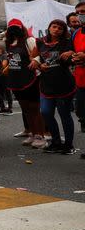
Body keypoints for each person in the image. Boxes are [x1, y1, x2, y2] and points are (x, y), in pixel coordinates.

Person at [0, 19, 46, 149]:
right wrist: (5, 32)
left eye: (17, 27)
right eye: (11, 28)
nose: (14, 30)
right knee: (25, 109)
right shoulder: (8, 43)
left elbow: (39, 53)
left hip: (30, 78)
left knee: (34, 108)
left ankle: (40, 135)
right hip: (16, 79)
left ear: (22, 29)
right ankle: (32, 133)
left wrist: (36, 60)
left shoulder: (28, 41)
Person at [33, 19, 76, 154]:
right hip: (46, 85)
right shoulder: (40, 42)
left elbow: (75, 55)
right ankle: (56, 142)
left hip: (64, 85)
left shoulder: (67, 42)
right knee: (45, 112)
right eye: (54, 26)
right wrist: (39, 65)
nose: (56, 29)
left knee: (64, 115)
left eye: (60, 28)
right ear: (49, 27)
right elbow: (34, 57)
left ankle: (68, 145)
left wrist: (71, 53)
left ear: (63, 31)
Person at [72, 1, 85, 139]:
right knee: (82, 115)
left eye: (83, 12)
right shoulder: (76, 34)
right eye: (78, 13)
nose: (80, 15)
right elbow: (73, 52)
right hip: (81, 82)